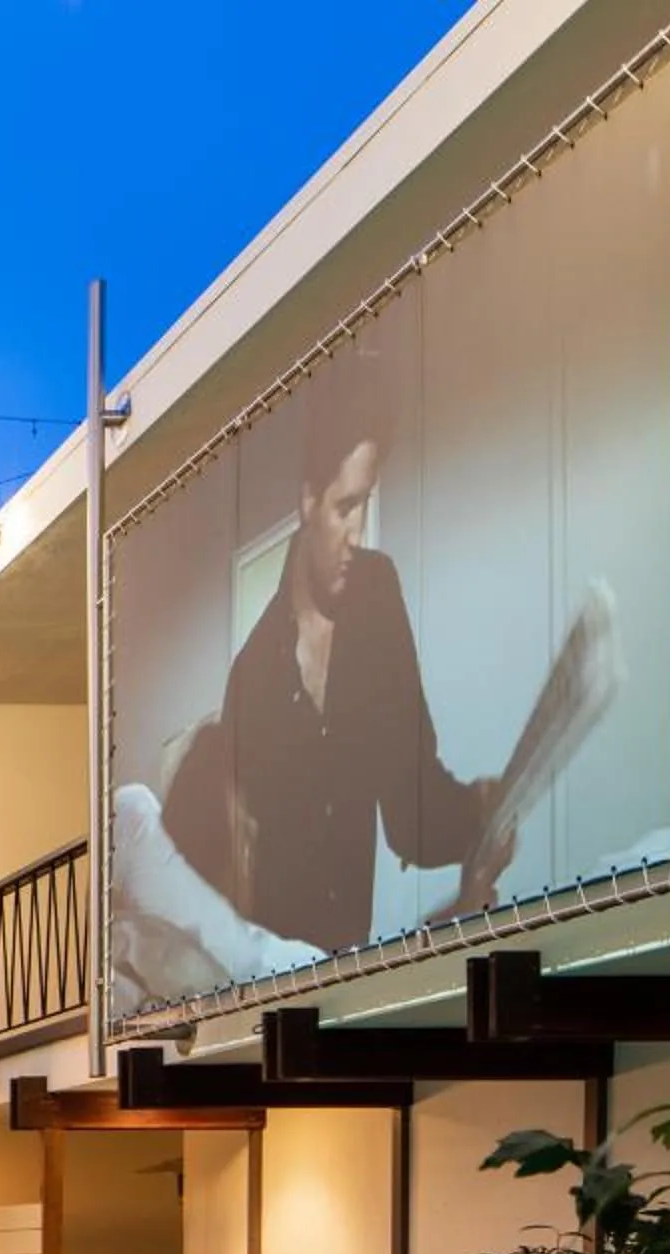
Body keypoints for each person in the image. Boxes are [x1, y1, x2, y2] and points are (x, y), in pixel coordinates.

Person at [176, 374, 513, 954]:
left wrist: (477, 815)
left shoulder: (376, 596)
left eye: (367, 503)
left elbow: (412, 816)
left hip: (344, 969)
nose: (356, 533)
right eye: (344, 507)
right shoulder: (252, 676)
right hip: (278, 981)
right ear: (309, 501)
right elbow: (237, 887)